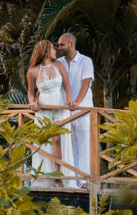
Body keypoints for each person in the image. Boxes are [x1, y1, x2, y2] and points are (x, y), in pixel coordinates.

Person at [26, 40, 73, 187]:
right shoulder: (33, 71)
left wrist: (69, 101)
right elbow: (30, 91)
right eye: (53, 48)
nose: (55, 51)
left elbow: (67, 85)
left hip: (59, 107)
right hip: (44, 110)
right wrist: (32, 102)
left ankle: (59, 177)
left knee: (58, 140)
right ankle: (45, 178)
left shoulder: (59, 66)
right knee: (45, 143)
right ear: (45, 50)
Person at [56, 33, 94, 188]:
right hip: (65, 110)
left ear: (71, 44)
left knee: (85, 144)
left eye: (61, 45)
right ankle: (72, 181)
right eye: (58, 45)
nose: (58, 48)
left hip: (83, 108)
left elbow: (86, 83)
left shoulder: (86, 61)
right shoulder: (58, 62)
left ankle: (84, 181)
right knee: (69, 146)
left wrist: (77, 103)